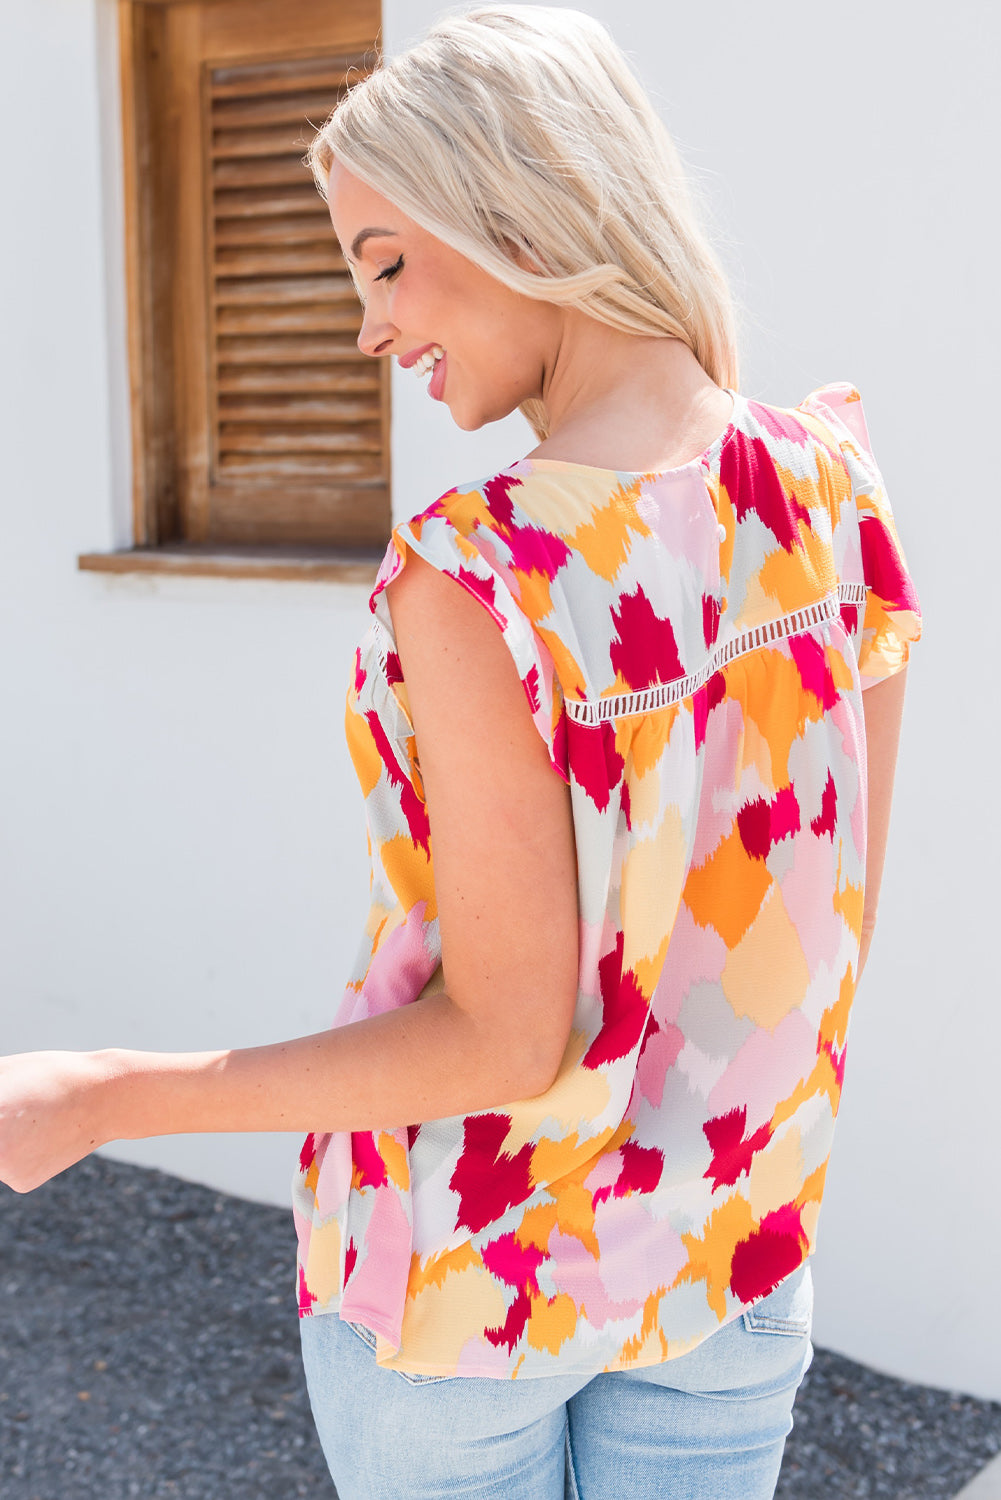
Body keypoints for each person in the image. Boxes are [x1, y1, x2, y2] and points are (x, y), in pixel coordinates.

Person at [0, 6, 920, 1497]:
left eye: (383, 264)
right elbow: (838, 919)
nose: (369, 330)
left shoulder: (483, 572)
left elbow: (501, 1041)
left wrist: (105, 1093)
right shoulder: (833, 490)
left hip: (477, 1289)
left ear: (519, 212)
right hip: (731, 1253)